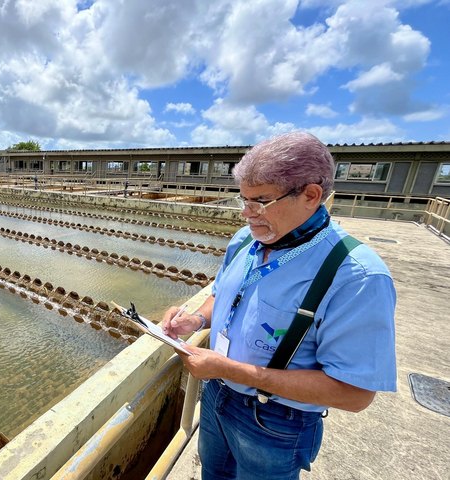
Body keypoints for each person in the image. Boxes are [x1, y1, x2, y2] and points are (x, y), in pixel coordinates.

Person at [162, 132, 397, 480]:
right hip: (216, 397)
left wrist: (229, 369)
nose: (247, 214)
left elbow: (354, 393)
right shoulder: (245, 241)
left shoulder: (357, 277)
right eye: (242, 200)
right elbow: (225, 296)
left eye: (260, 201)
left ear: (311, 195)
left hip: (274, 420)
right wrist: (196, 320)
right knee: (213, 474)